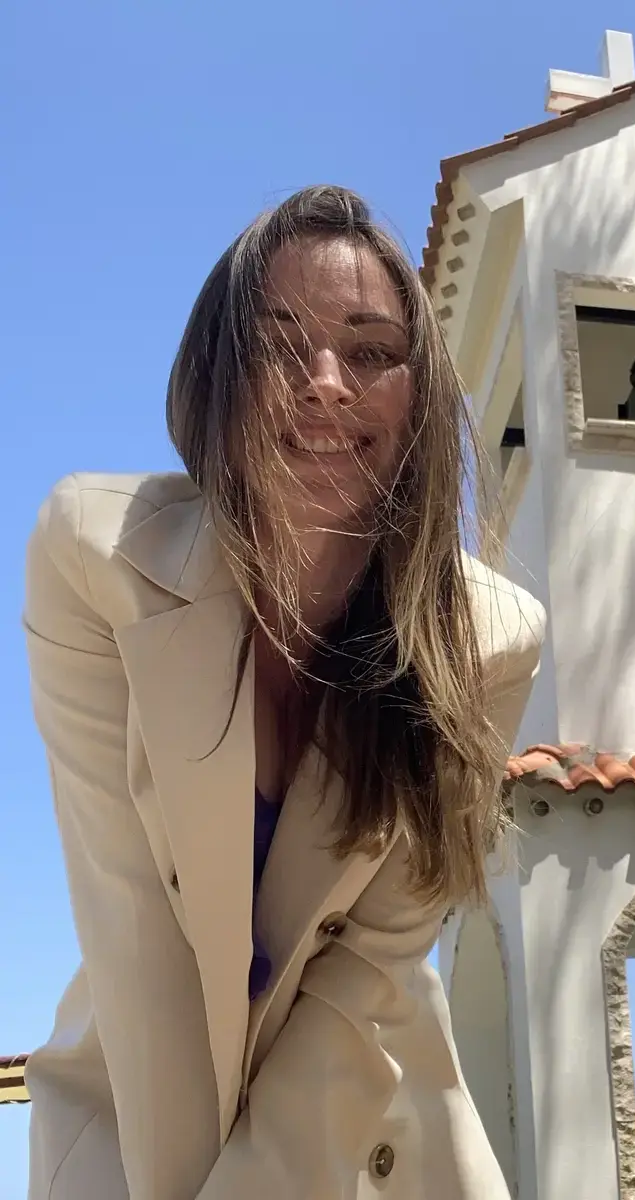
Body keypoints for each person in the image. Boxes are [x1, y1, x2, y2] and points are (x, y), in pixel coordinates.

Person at [22, 185, 545, 1200]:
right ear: (218, 380)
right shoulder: (93, 560)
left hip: (366, 1120)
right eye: (278, 345)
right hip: (134, 1114)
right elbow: (138, 937)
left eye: (372, 350)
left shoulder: (491, 643)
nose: (325, 383)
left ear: (421, 395)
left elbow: (370, 971)